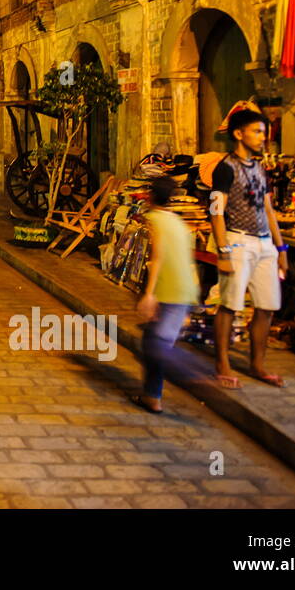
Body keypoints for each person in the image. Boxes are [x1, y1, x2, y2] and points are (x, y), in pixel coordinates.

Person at [207, 108, 288, 389]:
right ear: (239, 134)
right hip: (237, 240)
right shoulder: (225, 168)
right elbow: (216, 212)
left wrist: (281, 248)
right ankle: (223, 363)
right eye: (257, 131)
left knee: (266, 307)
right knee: (229, 305)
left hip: (264, 242)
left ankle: (258, 364)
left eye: (264, 132)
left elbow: (268, 209)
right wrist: (224, 251)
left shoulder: (260, 168)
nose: (262, 137)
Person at [132, 176, 205, 413]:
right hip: (185, 289)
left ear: (151, 197)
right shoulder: (178, 221)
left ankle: (196, 373)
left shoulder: (154, 220)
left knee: (157, 345)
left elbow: (158, 257)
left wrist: (149, 294)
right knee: (154, 340)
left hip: (167, 289)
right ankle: (152, 395)